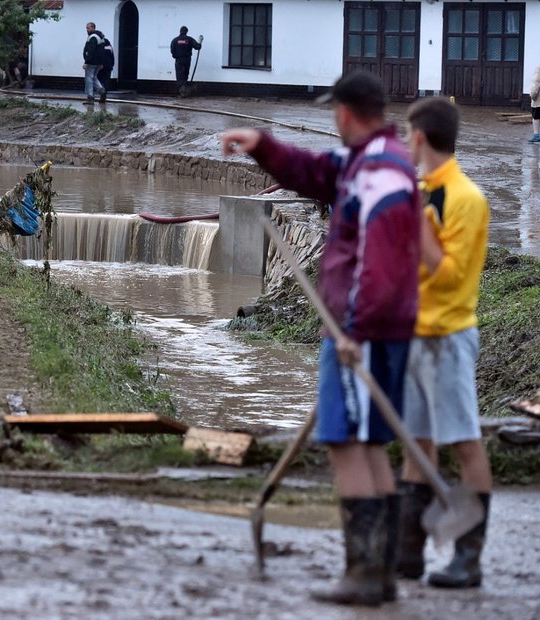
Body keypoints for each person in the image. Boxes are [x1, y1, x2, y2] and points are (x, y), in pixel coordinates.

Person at [221, 71, 420, 606]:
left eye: (335, 112)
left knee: (345, 442)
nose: (333, 120)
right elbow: (309, 171)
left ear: (348, 113)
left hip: (363, 329)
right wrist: (263, 146)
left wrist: (356, 329)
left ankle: (364, 573)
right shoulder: (362, 162)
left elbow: (380, 265)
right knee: (366, 441)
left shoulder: (381, 174)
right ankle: (378, 574)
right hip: (372, 327)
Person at [398, 97, 492, 589]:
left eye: (404, 135)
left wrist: (418, 224)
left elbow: (452, 278)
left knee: (462, 440)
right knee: (416, 443)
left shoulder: (467, 199)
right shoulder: (419, 191)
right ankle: (409, 551)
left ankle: (467, 557)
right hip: (412, 334)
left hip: (449, 337)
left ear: (418, 137)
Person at [170, 26, 202, 96]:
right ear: (186, 32)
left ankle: (181, 91)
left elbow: (172, 50)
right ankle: (184, 91)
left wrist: (175, 56)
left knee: (179, 75)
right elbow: (197, 47)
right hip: (187, 59)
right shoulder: (189, 39)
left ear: (180, 31)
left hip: (178, 60)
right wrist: (200, 41)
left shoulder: (175, 40)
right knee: (185, 74)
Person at [82, 22, 107, 104]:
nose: (87, 30)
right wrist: (101, 62)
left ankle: (90, 97)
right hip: (98, 62)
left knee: (89, 78)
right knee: (94, 77)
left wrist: (86, 61)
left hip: (91, 62)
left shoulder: (93, 37)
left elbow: (90, 51)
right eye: (86, 28)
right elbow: (103, 51)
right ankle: (101, 91)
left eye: (88, 28)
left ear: (93, 28)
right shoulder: (101, 37)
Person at [94, 29, 115, 96]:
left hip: (99, 64)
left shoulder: (96, 42)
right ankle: (104, 92)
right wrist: (112, 64)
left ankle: (101, 92)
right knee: (106, 79)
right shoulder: (107, 42)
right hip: (108, 65)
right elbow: (112, 55)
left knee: (98, 79)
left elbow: (96, 54)